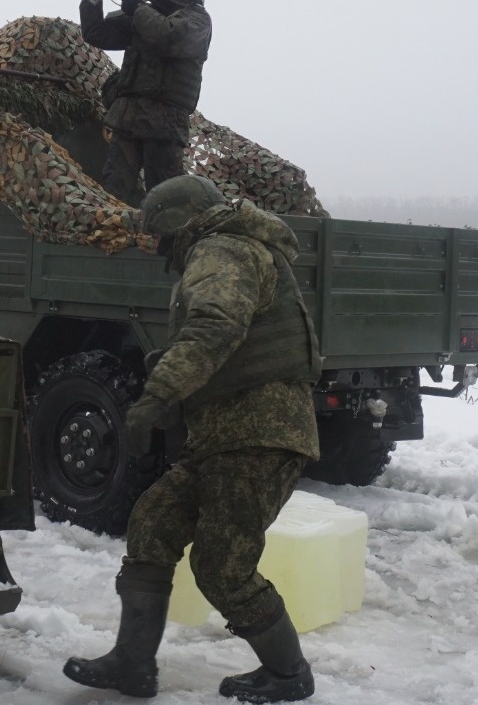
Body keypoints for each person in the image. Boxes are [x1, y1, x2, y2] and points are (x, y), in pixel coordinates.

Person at [62, 175, 323, 702]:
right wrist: (170, 367)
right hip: (220, 436)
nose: (160, 249)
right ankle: (133, 663)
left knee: (222, 567)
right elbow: (225, 336)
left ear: (179, 224)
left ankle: (289, 674)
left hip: (257, 434)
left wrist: (158, 394)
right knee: (153, 522)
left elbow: (214, 326)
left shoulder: (222, 248)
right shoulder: (227, 248)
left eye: (159, 236)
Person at [66, 0, 212, 207]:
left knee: (165, 196)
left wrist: (138, 8)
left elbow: (168, 37)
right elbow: (97, 33)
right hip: (128, 118)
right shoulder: (148, 12)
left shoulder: (197, 19)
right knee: (114, 192)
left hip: (164, 123)